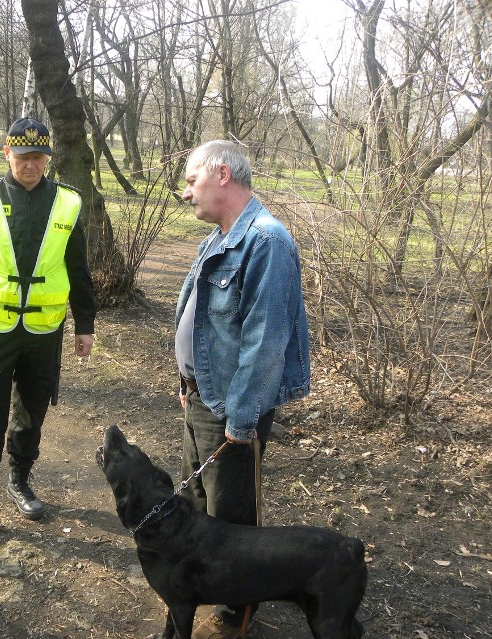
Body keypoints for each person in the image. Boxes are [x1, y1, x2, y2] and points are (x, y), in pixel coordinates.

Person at [174, 140, 310, 639]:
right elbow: (206, 322)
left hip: (231, 404)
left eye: (192, 180)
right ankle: (200, 583)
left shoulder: (267, 240)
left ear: (223, 174)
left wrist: (241, 417)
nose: (185, 192)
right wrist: (186, 378)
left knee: (229, 513)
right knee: (197, 502)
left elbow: (266, 339)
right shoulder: (221, 234)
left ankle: (236, 609)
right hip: (202, 394)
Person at [0, 116, 97, 548]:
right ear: (7, 155)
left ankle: (20, 480)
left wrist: (85, 324)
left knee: (32, 411)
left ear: (48, 159)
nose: (30, 165)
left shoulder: (67, 203)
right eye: (22, 157)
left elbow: (78, 268)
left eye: (38, 158)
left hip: (44, 328)